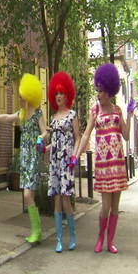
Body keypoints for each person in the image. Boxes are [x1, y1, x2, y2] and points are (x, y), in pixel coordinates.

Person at [75, 63, 135, 254]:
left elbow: (125, 135)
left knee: (115, 207)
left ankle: (111, 241)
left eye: (100, 91)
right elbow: (85, 134)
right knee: (105, 207)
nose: (98, 94)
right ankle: (100, 238)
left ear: (109, 91)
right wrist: (77, 155)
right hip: (103, 165)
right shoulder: (95, 111)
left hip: (117, 164)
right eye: (97, 90)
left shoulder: (117, 110)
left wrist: (130, 114)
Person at [0, 73, 46, 245]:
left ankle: (37, 231)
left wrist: (41, 138)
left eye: (21, 96)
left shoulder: (37, 113)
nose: (20, 98)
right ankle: (36, 231)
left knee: (27, 194)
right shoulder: (22, 113)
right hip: (25, 157)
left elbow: (45, 131)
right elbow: (7, 117)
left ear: (29, 95)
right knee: (27, 195)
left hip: (33, 156)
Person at [47, 72, 81, 252]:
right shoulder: (53, 118)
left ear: (67, 95)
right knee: (57, 199)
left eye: (62, 93)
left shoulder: (72, 115)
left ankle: (73, 236)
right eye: (56, 94)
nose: (59, 96)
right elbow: (53, 141)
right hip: (54, 160)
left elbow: (78, 138)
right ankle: (59, 239)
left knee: (66, 198)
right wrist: (43, 148)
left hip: (67, 161)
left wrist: (75, 156)